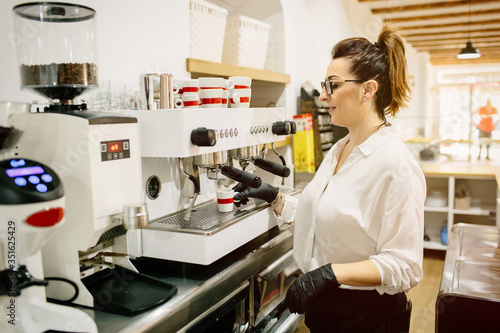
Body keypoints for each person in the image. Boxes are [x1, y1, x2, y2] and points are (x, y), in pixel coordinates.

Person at [233, 22, 426, 332]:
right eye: (325, 85)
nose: (323, 96)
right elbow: (326, 221)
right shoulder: (340, 148)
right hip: (327, 308)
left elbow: (405, 265)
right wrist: (276, 197)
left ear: (368, 89)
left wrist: (330, 274)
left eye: (333, 85)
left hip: (365, 315)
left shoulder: (395, 165)